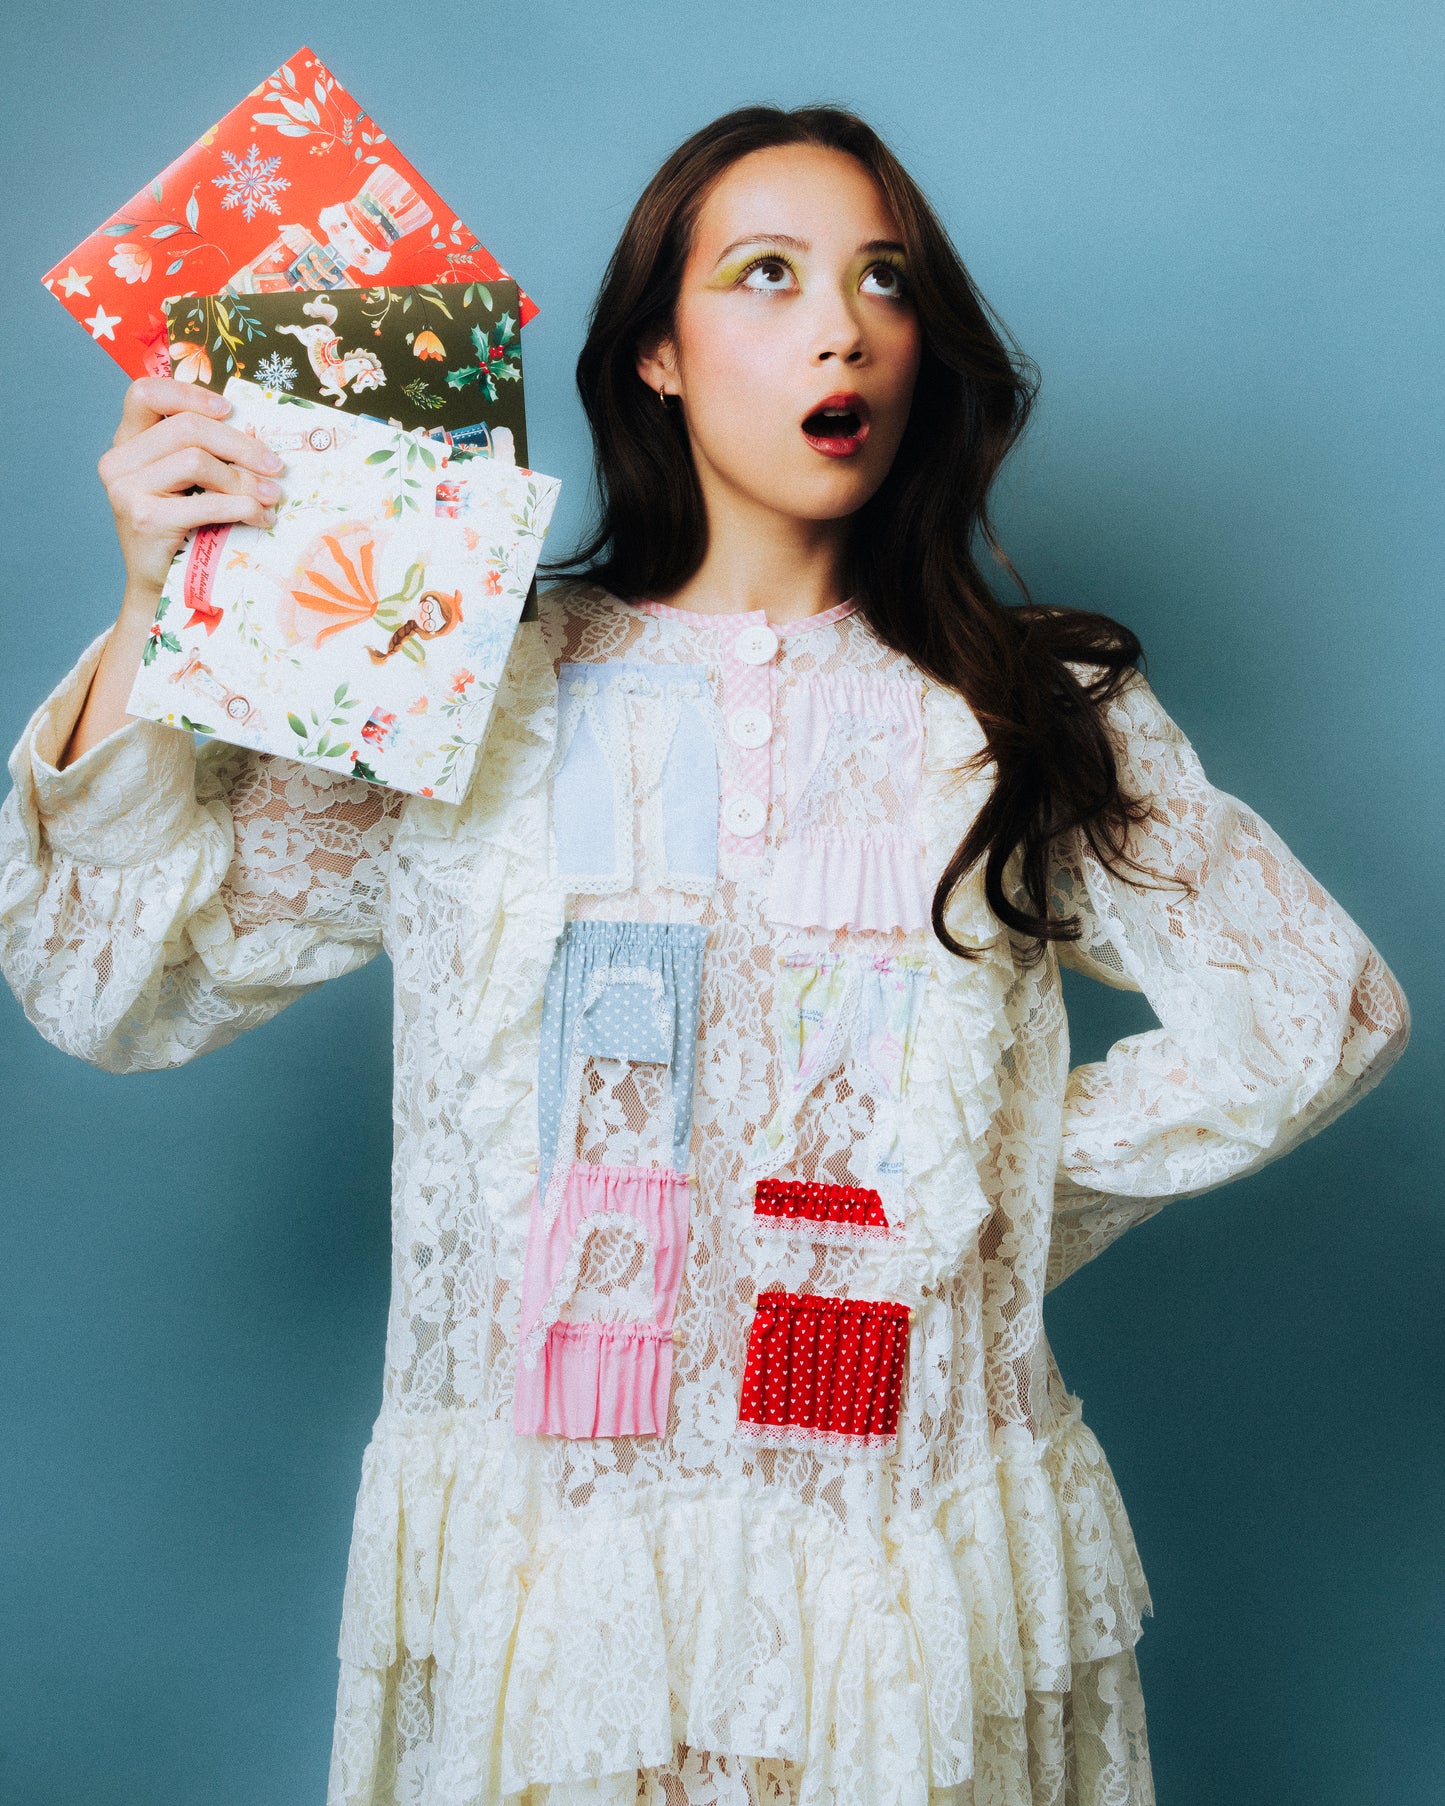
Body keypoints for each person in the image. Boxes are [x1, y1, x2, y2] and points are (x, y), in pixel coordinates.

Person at [0, 104, 1410, 1806]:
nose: (843, 329)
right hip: (554, 1580)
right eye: (767, 274)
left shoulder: (1020, 705)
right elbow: (108, 985)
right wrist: (154, 614)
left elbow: (1309, 1015)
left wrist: (977, 1194)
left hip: (891, 1562)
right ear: (654, 356)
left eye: (883, 281)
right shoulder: (469, 681)